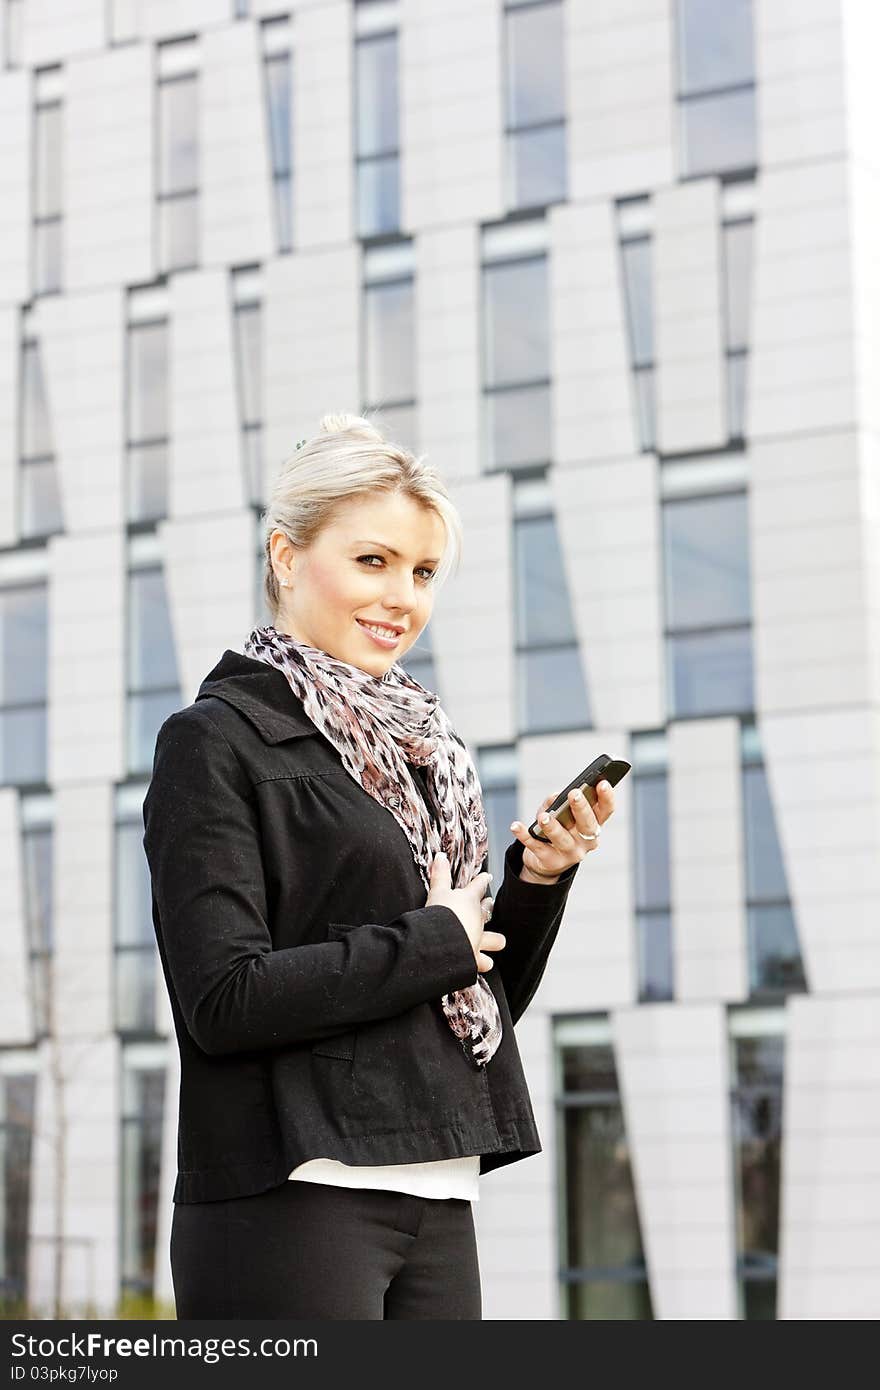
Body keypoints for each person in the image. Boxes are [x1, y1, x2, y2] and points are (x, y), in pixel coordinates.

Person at [142, 412, 615, 1320]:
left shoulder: (422, 751)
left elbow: (473, 1000)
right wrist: (432, 939)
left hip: (438, 1189)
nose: (404, 596)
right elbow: (221, 999)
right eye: (373, 561)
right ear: (286, 556)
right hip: (293, 1193)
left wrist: (535, 885)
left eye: (424, 571)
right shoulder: (214, 742)